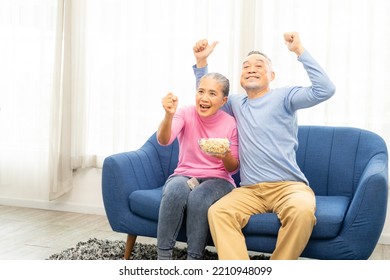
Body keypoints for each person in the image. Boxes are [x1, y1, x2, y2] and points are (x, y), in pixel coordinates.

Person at [192, 32, 336, 260]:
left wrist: (299, 50)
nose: (251, 69)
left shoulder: (286, 96)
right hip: (250, 190)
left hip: (289, 187)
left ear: (272, 75)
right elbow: (209, 97)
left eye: (259, 66)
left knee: (302, 212)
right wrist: (201, 63)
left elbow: (325, 90)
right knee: (218, 212)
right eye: (246, 66)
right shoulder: (237, 103)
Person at [156, 72, 240, 260]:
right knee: (175, 190)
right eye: (200, 91)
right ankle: (162, 258)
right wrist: (168, 115)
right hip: (185, 174)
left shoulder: (230, 123)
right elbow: (164, 140)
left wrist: (224, 154)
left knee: (199, 197)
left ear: (223, 100)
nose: (204, 98)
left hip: (219, 179)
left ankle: (194, 260)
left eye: (212, 93)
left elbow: (233, 168)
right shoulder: (185, 112)